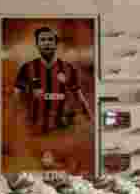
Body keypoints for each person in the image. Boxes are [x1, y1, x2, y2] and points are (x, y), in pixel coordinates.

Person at [11, 26, 93, 171]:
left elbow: (78, 95)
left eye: (50, 40)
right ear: (38, 43)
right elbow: (17, 98)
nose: (46, 43)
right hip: (38, 134)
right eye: (43, 40)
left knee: (70, 169)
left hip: (65, 132)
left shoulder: (68, 69)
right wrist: (15, 123)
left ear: (55, 43)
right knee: (45, 170)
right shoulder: (27, 68)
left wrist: (88, 117)